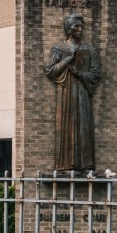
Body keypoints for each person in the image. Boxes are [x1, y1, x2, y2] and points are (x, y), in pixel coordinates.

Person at [44, 14, 101, 172]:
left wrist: (80, 74)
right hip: (66, 93)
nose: (80, 29)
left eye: (81, 26)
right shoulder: (59, 49)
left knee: (84, 126)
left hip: (83, 93)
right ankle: (68, 164)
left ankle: (86, 164)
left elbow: (96, 73)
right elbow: (50, 70)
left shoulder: (89, 50)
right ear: (68, 29)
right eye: (76, 26)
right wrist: (68, 60)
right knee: (66, 125)